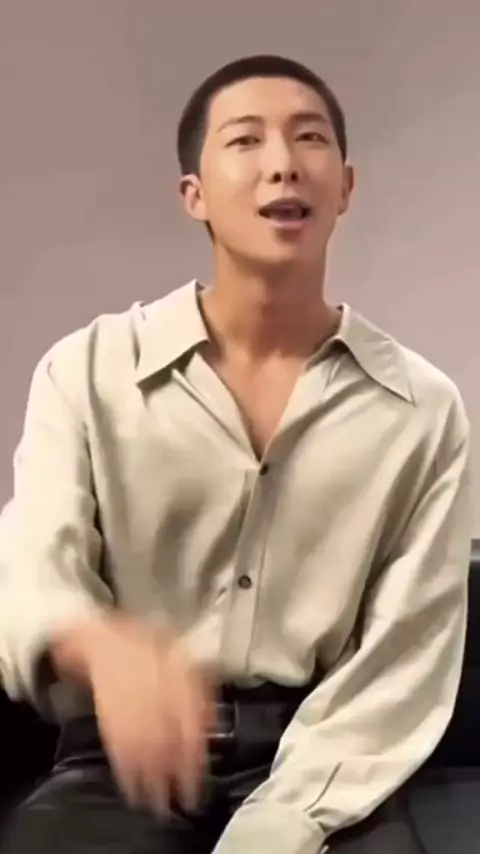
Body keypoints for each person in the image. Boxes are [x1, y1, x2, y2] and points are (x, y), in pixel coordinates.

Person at [0, 54, 472, 854]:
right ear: (195, 195)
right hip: (125, 762)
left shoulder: (423, 409)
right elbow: (32, 566)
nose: (283, 162)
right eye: (246, 140)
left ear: (345, 187)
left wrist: (285, 820)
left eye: (309, 137)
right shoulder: (86, 370)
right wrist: (103, 648)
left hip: (328, 760)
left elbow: (405, 658)